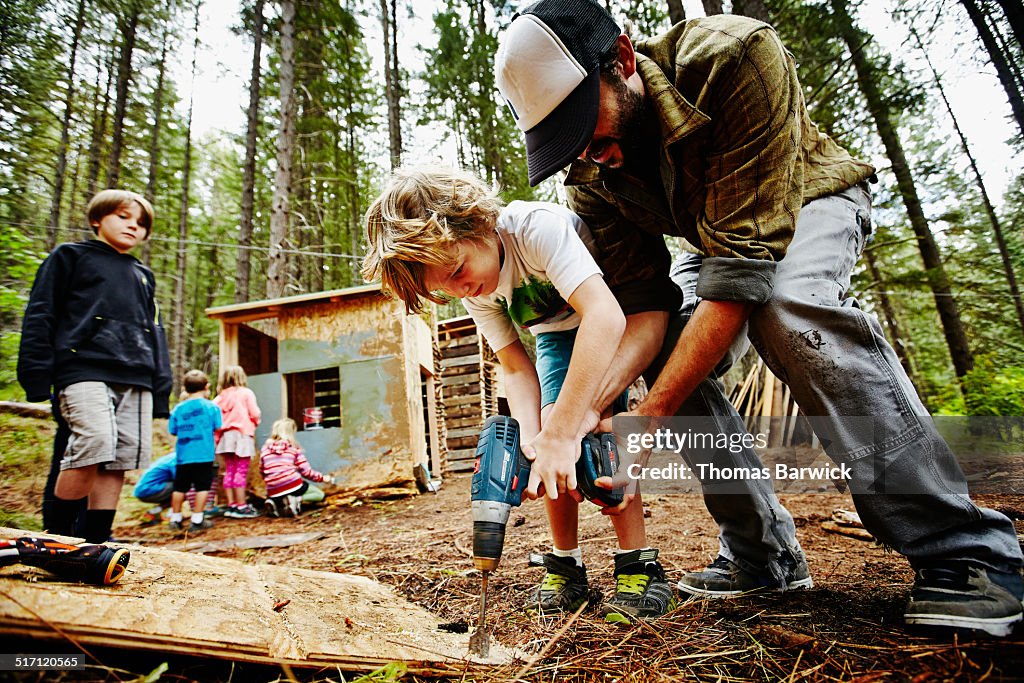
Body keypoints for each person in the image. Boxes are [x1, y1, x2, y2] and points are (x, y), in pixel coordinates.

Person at [493, 0, 1024, 637]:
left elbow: (745, 276)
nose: (584, 151)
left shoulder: (731, 56)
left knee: (789, 311)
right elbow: (646, 311)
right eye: (563, 140)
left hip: (809, 196)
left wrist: (652, 416)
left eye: (585, 122)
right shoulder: (589, 173)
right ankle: (762, 553)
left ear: (624, 61)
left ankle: (970, 553)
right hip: (716, 240)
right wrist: (584, 415)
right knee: (673, 350)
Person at [361, 164, 675, 623]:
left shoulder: (535, 229)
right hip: (554, 333)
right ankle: (566, 564)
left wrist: (564, 429)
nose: (459, 288)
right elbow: (514, 366)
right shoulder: (472, 289)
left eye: (457, 270)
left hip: (608, 311)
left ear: (477, 222)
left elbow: (604, 318)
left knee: (601, 437)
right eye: (441, 289)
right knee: (549, 436)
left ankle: (638, 563)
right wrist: (535, 442)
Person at [17, 189, 173, 544]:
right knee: (94, 442)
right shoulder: (70, 256)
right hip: (83, 368)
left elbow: (155, 331)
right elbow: (41, 311)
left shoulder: (142, 275)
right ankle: (56, 540)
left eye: (141, 224)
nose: (133, 227)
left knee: (118, 458)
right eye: (123, 217)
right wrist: (36, 372)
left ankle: (96, 542)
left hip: (136, 375)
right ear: (97, 219)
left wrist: (161, 385)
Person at [167, 370, 221, 533]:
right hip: (203, 454)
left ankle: (175, 519)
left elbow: (173, 430)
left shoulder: (178, 408)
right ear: (206, 387)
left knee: (180, 487)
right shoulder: (211, 407)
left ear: (185, 388)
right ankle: (197, 519)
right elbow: (218, 426)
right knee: (202, 486)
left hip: (183, 454)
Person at [213, 365, 262, 519]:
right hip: (241, 435)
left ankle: (231, 505)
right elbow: (255, 413)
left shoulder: (219, 398)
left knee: (229, 470)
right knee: (240, 471)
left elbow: (215, 419)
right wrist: (255, 422)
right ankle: (242, 506)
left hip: (225, 437)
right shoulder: (246, 393)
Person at [259, 418, 334, 518]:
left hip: (273, 488)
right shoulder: (293, 448)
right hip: (292, 483)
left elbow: (262, 469)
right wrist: (323, 478)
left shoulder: (265, 449)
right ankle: (297, 499)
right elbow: (306, 471)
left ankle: (274, 502)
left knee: (280, 494)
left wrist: (271, 481)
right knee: (319, 495)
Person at [132, 452, 220, 525]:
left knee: (182, 489)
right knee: (184, 488)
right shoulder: (178, 460)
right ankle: (177, 516)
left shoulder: (175, 456)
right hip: (148, 489)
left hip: (148, 489)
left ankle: (153, 512)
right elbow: (181, 480)